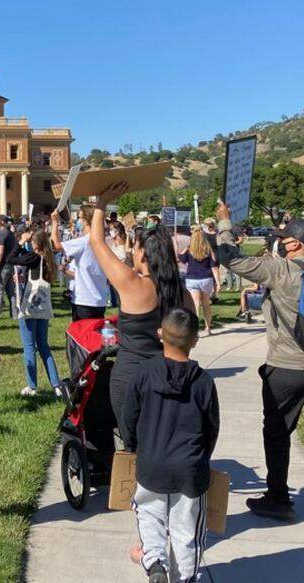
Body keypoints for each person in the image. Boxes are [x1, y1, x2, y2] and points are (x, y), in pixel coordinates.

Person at [215, 202, 304, 541]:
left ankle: (278, 499)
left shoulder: (280, 271)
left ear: (293, 244)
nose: (279, 242)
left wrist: (225, 223)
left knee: (277, 433)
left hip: (288, 369)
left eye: (283, 238)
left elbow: (229, 257)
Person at [122, 307, 220, 583]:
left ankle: (155, 563)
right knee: (186, 530)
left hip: (151, 463)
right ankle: (183, 578)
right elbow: (212, 427)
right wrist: (203, 458)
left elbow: (129, 417)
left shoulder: (143, 373)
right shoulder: (204, 382)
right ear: (195, 341)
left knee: (149, 516)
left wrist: (134, 447)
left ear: (159, 334)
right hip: (189, 469)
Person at [87, 183, 188, 446]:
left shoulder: (133, 285)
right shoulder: (181, 292)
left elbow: (96, 242)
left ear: (143, 253)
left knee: (133, 447)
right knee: (163, 442)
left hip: (131, 376)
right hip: (170, 375)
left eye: (136, 247)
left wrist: (102, 202)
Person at [5, 229, 63, 396]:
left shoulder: (34, 257)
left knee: (29, 346)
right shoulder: (48, 258)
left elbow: (10, 258)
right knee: (44, 346)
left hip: (30, 308)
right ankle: (56, 385)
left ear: (36, 243)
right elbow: (37, 274)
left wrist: (21, 241)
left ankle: (32, 386)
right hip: (44, 308)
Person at [51, 208, 110, 321]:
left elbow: (56, 245)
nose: (78, 221)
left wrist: (54, 222)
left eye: (80, 218)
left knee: (82, 332)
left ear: (86, 221)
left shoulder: (84, 242)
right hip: (100, 299)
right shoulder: (102, 240)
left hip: (84, 300)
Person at [179, 227, 218, 336]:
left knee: (195, 305)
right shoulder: (208, 249)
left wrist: (182, 250)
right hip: (206, 278)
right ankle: (208, 328)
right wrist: (218, 282)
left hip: (192, 278)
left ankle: (195, 329)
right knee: (206, 304)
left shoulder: (189, 249)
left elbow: (182, 259)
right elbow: (214, 266)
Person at [0, 213, 17, 318]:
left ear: (1, 222)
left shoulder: (1, 234)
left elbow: (0, 252)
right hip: (10, 266)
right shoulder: (10, 234)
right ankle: (14, 314)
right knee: (11, 293)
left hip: (2, 267)